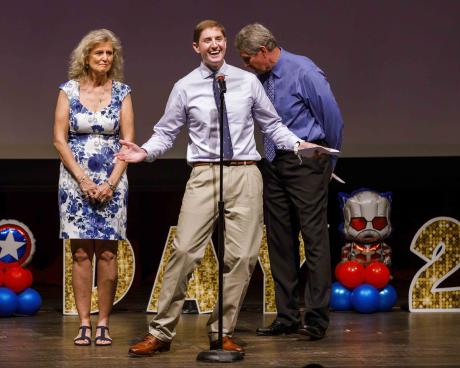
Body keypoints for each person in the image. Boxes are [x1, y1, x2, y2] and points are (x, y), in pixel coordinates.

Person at [116, 19, 309, 357]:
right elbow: (166, 131)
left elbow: (272, 124)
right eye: (207, 40)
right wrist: (145, 152)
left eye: (219, 38)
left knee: (244, 256)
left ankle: (222, 331)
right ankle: (160, 332)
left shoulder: (247, 82)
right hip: (205, 174)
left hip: (245, 172)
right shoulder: (185, 86)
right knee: (186, 251)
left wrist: (296, 144)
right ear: (197, 47)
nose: (215, 44)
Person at [235, 23, 344, 340]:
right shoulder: (259, 79)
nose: (245, 66)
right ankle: (286, 316)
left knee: (314, 239)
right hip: (272, 163)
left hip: (306, 162)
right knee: (280, 241)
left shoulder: (303, 71)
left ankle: (316, 318)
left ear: (263, 52)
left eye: (246, 59)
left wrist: (326, 162)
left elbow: (333, 118)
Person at [53, 29, 134, 346]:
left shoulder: (123, 92)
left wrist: (112, 182)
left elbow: (127, 143)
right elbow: (59, 139)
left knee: (109, 254)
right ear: (85, 56)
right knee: (81, 253)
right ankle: (84, 323)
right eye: (99, 53)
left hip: (113, 181)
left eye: (109, 53)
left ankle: (103, 323)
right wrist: (84, 180)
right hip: (75, 182)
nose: (104, 58)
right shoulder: (68, 90)